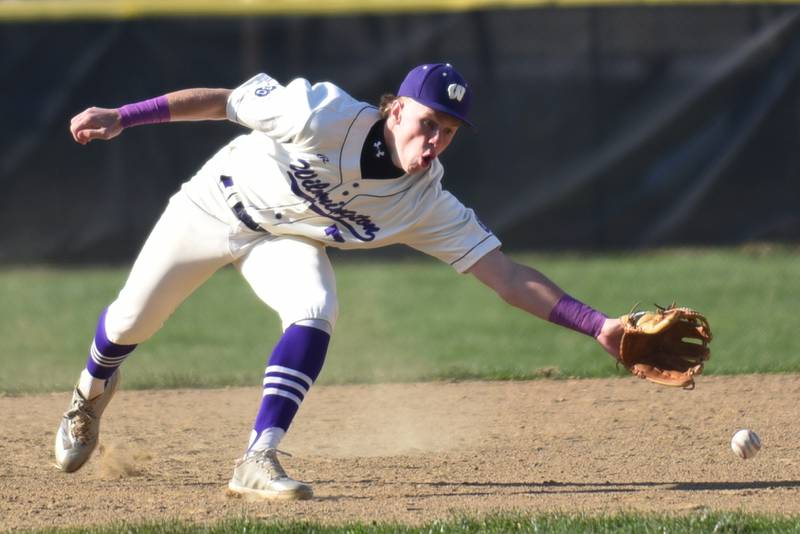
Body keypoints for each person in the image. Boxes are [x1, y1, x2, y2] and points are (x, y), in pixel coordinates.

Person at [55, 63, 624, 500]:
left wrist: (596, 325)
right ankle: (90, 393)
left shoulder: (425, 202)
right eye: (428, 123)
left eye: (448, 132)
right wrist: (125, 116)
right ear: (396, 111)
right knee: (132, 320)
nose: (434, 141)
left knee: (315, 307)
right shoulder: (319, 113)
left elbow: (505, 275)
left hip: (285, 241)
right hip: (214, 205)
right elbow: (223, 103)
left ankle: (258, 457)